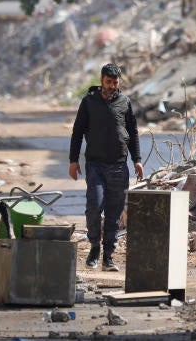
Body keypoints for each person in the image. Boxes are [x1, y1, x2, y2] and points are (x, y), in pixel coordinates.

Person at [69, 63, 144, 271]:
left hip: (119, 166)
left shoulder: (124, 103)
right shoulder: (89, 102)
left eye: (115, 82)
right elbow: (77, 132)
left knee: (114, 213)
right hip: (96, 166)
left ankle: (108, 256)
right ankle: (94, 245)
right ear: (101, 80)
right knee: (94, 206)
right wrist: (73, 161)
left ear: (119, 83)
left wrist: (137, 159)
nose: (111, 86)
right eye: (108, 82)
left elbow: (133, 132)